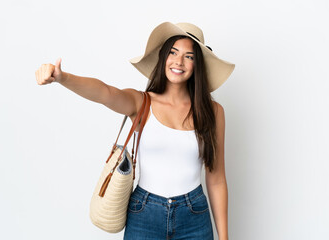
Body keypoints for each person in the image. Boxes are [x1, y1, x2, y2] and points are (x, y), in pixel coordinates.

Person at [35, 22, 235, 240]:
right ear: (163, 57)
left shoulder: (213, 112)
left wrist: (223, 237)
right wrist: (62, 77)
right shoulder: (141, 102)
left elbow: (216, 180)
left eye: (189, 56)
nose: (179, 61)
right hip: (145, 213)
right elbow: (104, 92)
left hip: (194, 215)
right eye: (173, 52)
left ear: (197, 64)